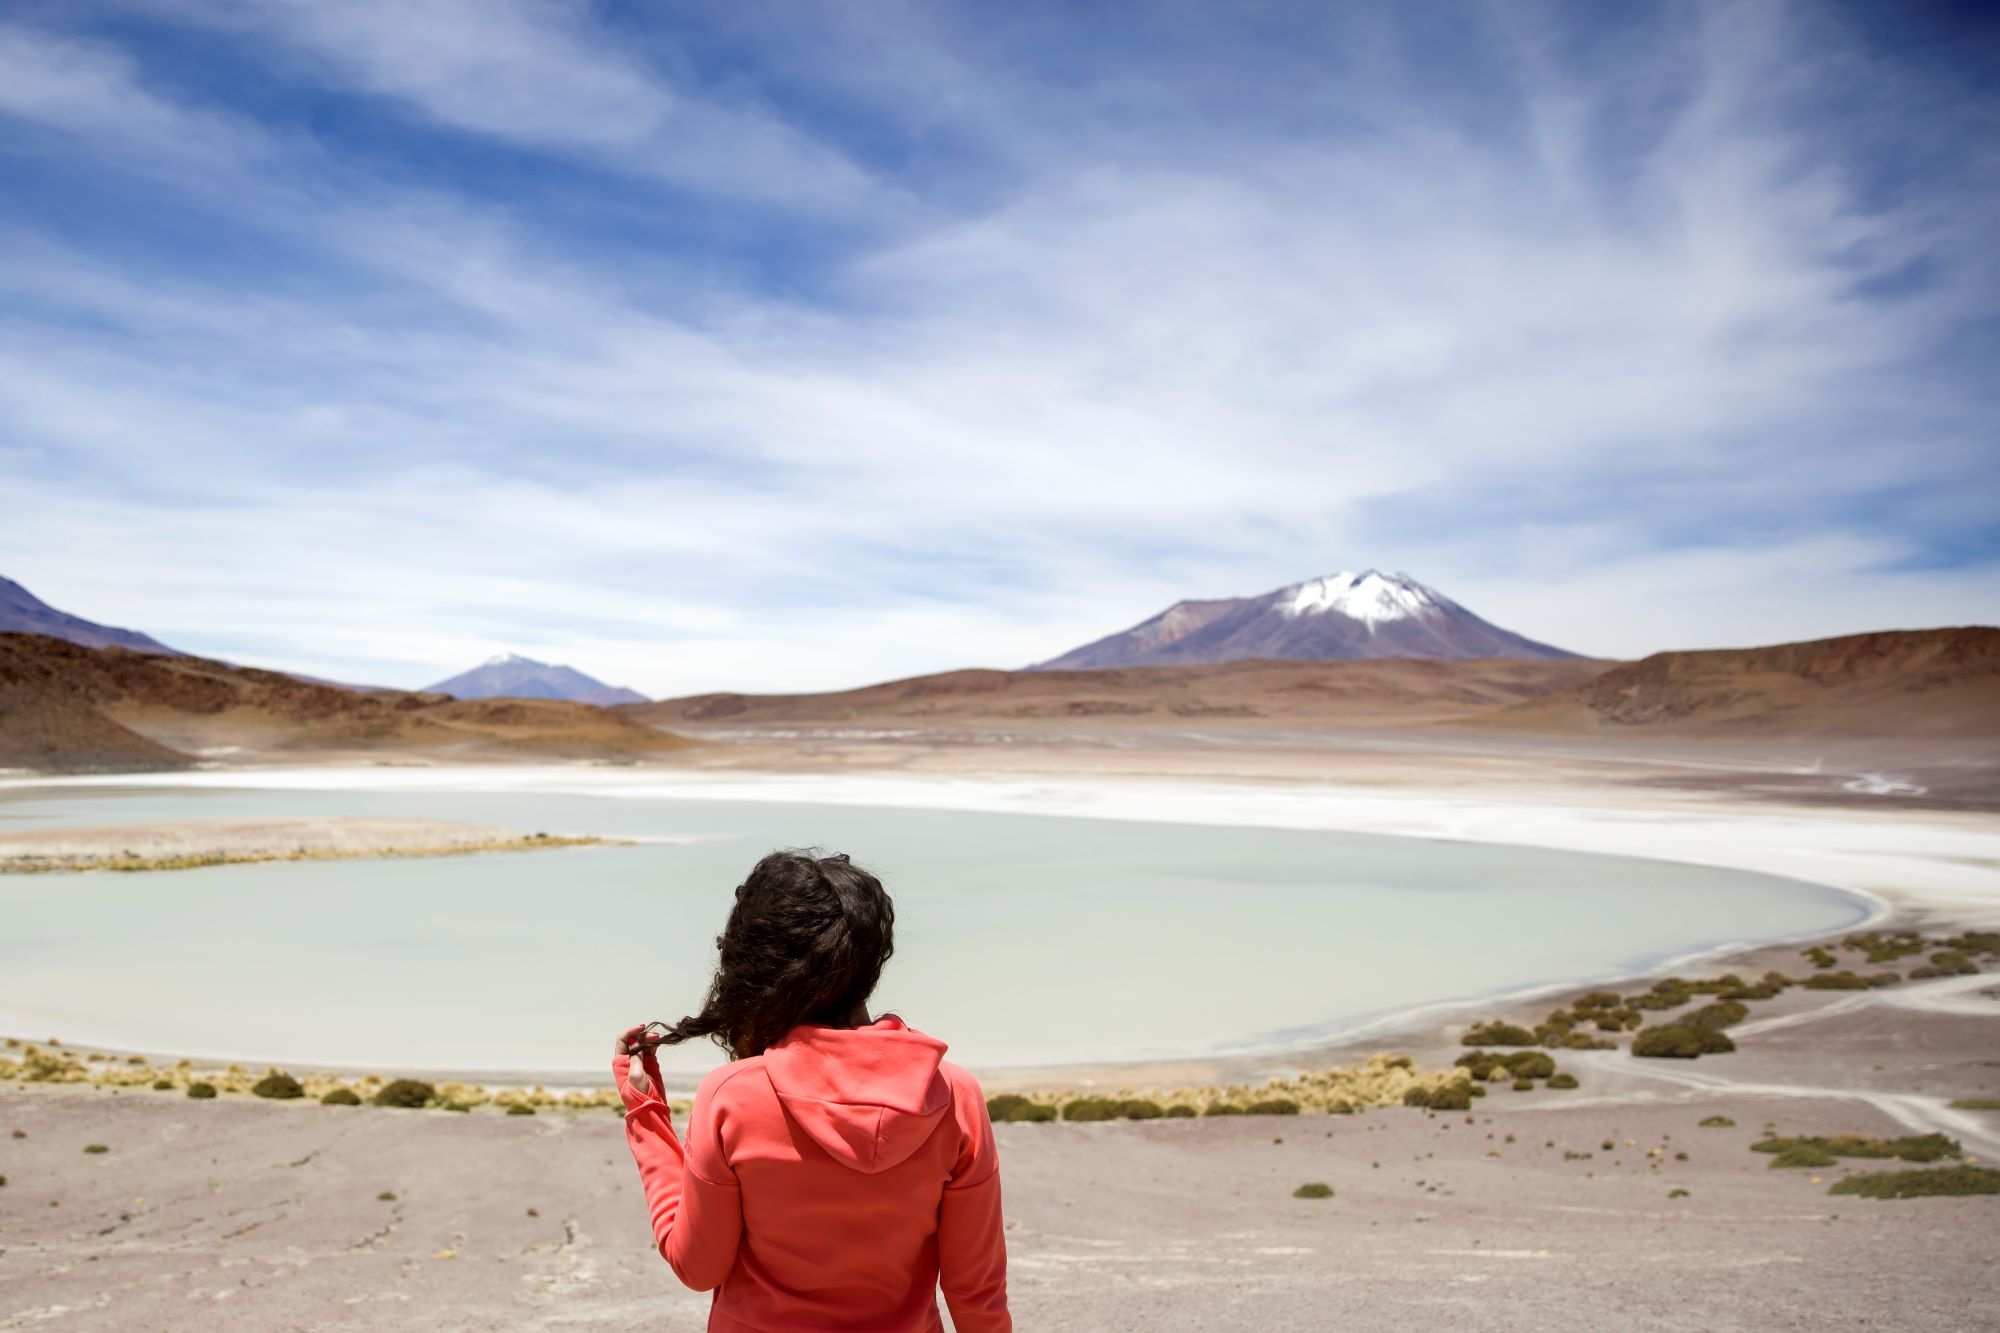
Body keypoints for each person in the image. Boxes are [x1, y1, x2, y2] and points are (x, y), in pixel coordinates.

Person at [611, 849, 1012, 1333]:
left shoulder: (732, 1097)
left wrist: (647, 1114)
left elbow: (697, 1267)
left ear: (757, 963)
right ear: (872, 958)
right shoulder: (954, 1094)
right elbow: (977, 1296)